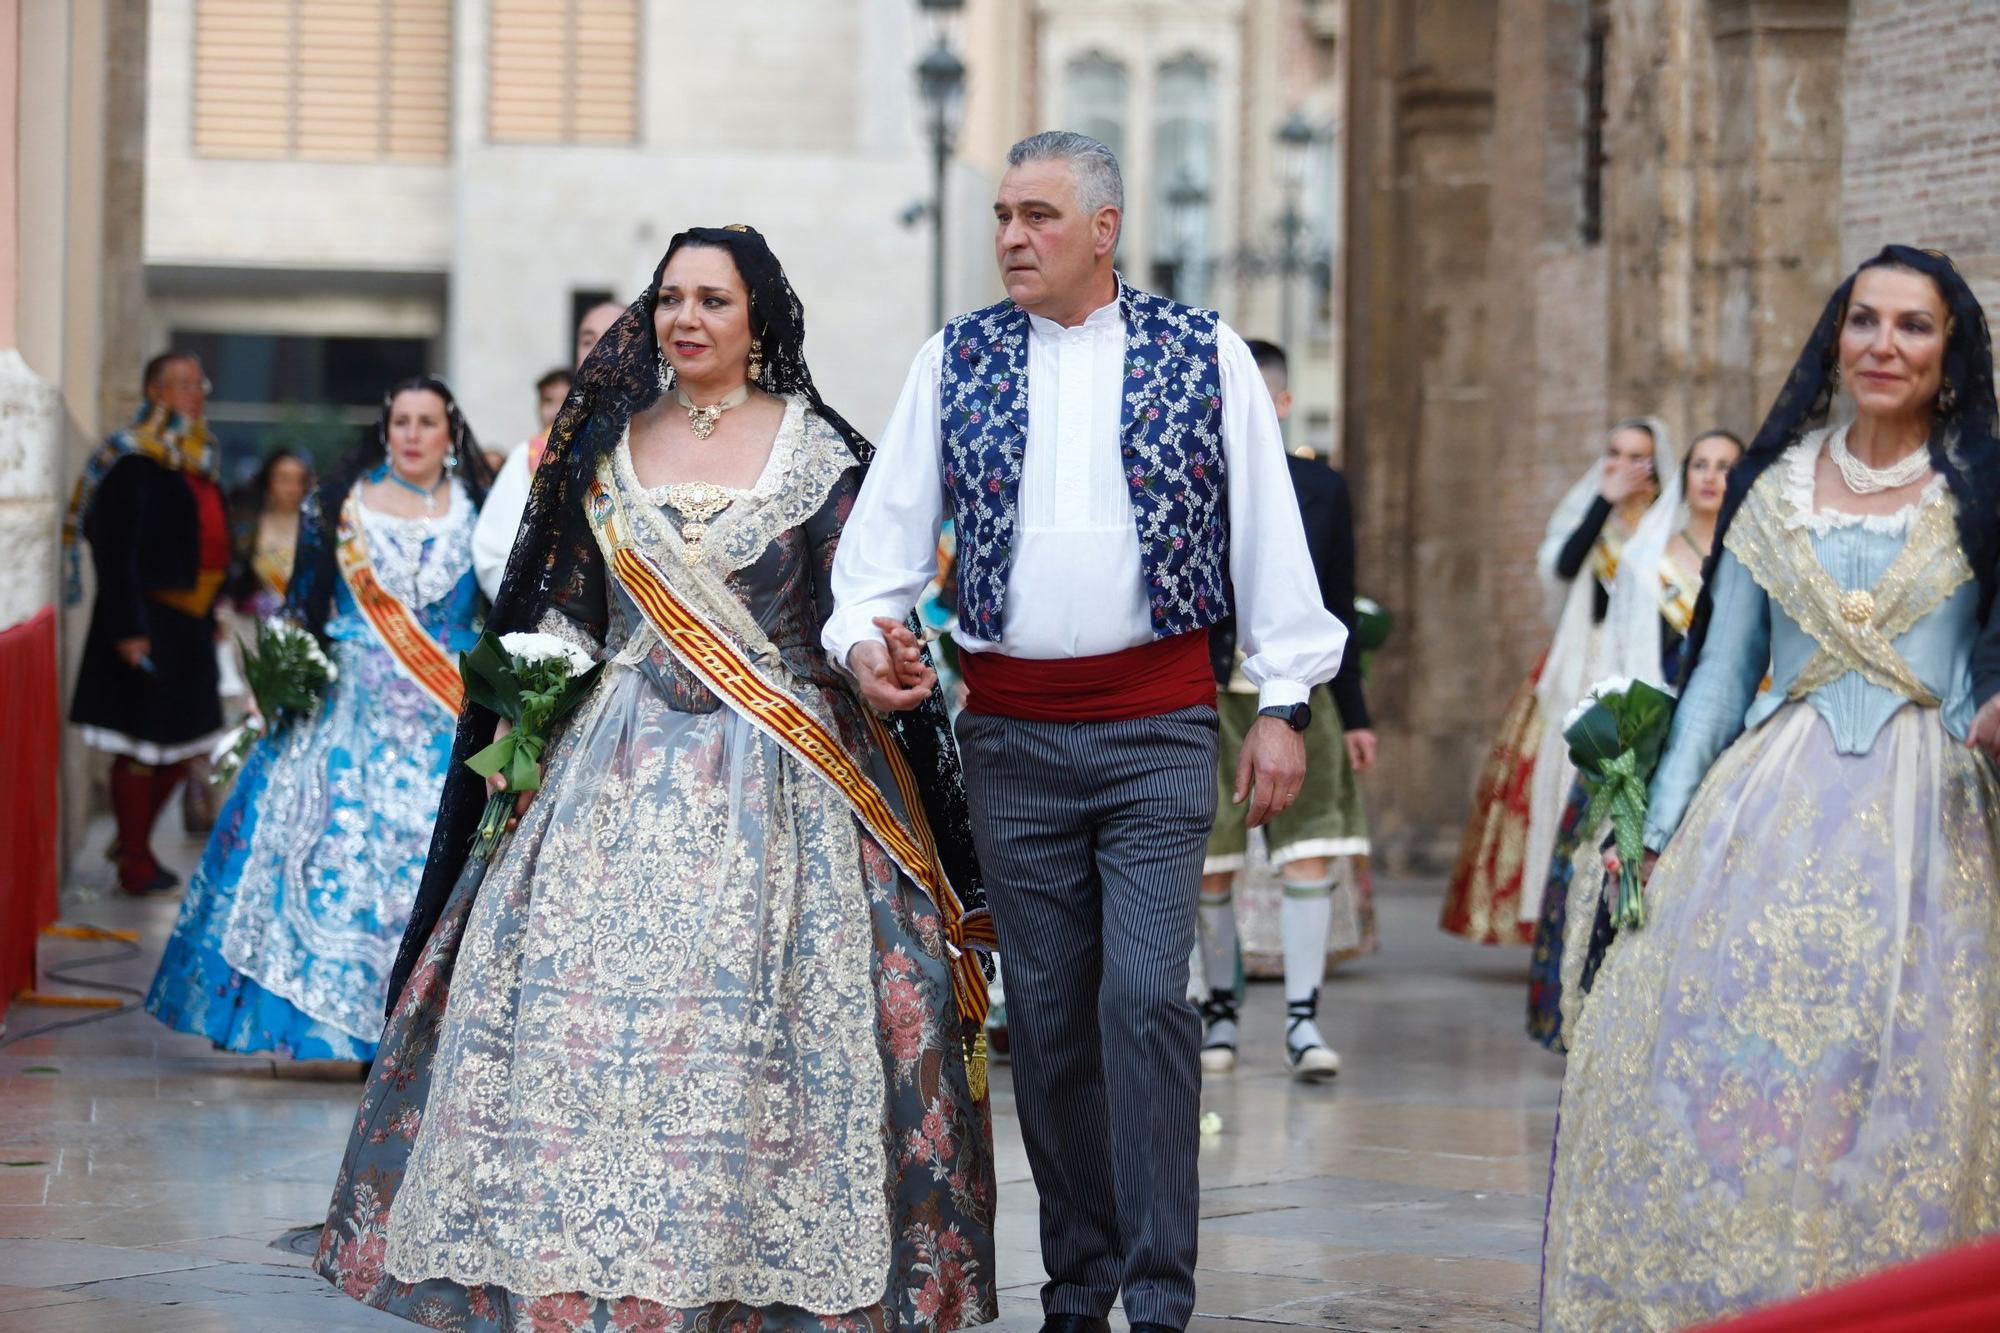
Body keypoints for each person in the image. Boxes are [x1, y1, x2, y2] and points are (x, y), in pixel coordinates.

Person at [317, 227, 997, 1332]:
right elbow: (561, 615)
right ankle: (580, 1272)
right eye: (670, 297)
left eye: (713, 300)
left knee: (767, 1033)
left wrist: (879, 662)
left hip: (784, 775)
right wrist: (526, 715)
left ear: (758, 318)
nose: (686, 318)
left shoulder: (822, 457)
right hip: (609, 771)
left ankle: (742, 1279)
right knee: (576, 1032)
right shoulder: (601, 449)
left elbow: (856, 611)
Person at [825, 132, 1346, 1333]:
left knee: (1141, 1004)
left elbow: (1271, 538)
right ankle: (1079, 1284)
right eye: (1004, 214)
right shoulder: (952, 360)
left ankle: (1158, 1294)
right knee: (1049, 1019)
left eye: (1039, 215)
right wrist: (869, 640)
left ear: (1102, 229)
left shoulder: (1200, 352)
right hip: (1010, 741)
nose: (1012, 235)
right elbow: (878, 558)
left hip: (1159, 730)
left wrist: (1281, 705)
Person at [1542, 246, 2000, 1328]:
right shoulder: (1770, 482)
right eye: (1862, 321)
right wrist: (1655, 831)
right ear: (1834, 339)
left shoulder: (1985, 485)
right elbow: (1712, 676)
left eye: (1912, 326)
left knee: (1905, 1079)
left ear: (1949, 351)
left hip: (1928, 820)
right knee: (1740, 1077)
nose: (1882, 345)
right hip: (1763, 817)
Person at [145, 378, 489, 1061]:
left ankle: (424, 1029)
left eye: (428, 422)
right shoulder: (339, 505)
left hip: (444, 713)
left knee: (430, 860)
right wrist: (281, 677)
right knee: (341, 857)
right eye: (402, 422)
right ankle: (347, 1030)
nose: (414, 434)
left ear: (451, 432)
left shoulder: (480, 510)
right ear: (385, 430)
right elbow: (303, 604)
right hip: (349, 709)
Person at [1525, 428, 1744, 1050]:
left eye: (1725, 466)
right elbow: (1621, 652)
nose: (1710, 477)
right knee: (1610, 869)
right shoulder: (1650, 560)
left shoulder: (1748, 561)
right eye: (1700, 464)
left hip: (1728, 736)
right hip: (1649, 732)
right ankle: (1605, 1022)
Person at [1196, 338, 1377, 1082]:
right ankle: (1219, 1013)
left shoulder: (1322, 489)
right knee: (1211, 862)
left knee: (1310, 850)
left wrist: (1357, 711)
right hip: (1210, 691)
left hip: (1303, 695)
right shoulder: (1196, 478)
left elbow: (1339, 605)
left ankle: (1304, 1019)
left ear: (1281, 402)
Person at [1440, 418, 1674, 944]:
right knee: (1559, 787)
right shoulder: (1590, 514)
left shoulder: (1668, 525)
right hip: (1581, 666)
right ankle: (1560, 914)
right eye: (1615, 452)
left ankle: (1621, 911)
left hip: (1637, 672)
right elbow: (1564, 566)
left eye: (1639, 456)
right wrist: (1603, 503)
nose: (1623, 464)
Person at [65, 352, 231, 895]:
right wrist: (128, 628)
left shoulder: (195, 458)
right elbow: (117, 549)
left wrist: (210, 612)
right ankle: (134, 858)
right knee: (139, 742)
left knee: (187, 741)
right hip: (147, 617)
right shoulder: (133, 458)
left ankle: (131, 841)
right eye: (183, 384)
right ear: (154, 392)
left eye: (199, 383)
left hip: (188, 621)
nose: (196, 394)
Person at [472, 305, 621, 599]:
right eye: (588, 340)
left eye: (612, 337)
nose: (598, 351)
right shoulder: (535, 457)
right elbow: (496, 554)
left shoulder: (669, 438)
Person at [229, 446, 316, 621]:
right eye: (283, 479)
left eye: (298, 480)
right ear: (268, 481)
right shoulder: (248, 529)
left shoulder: (317, 529)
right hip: (256, 624)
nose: (291, 488)